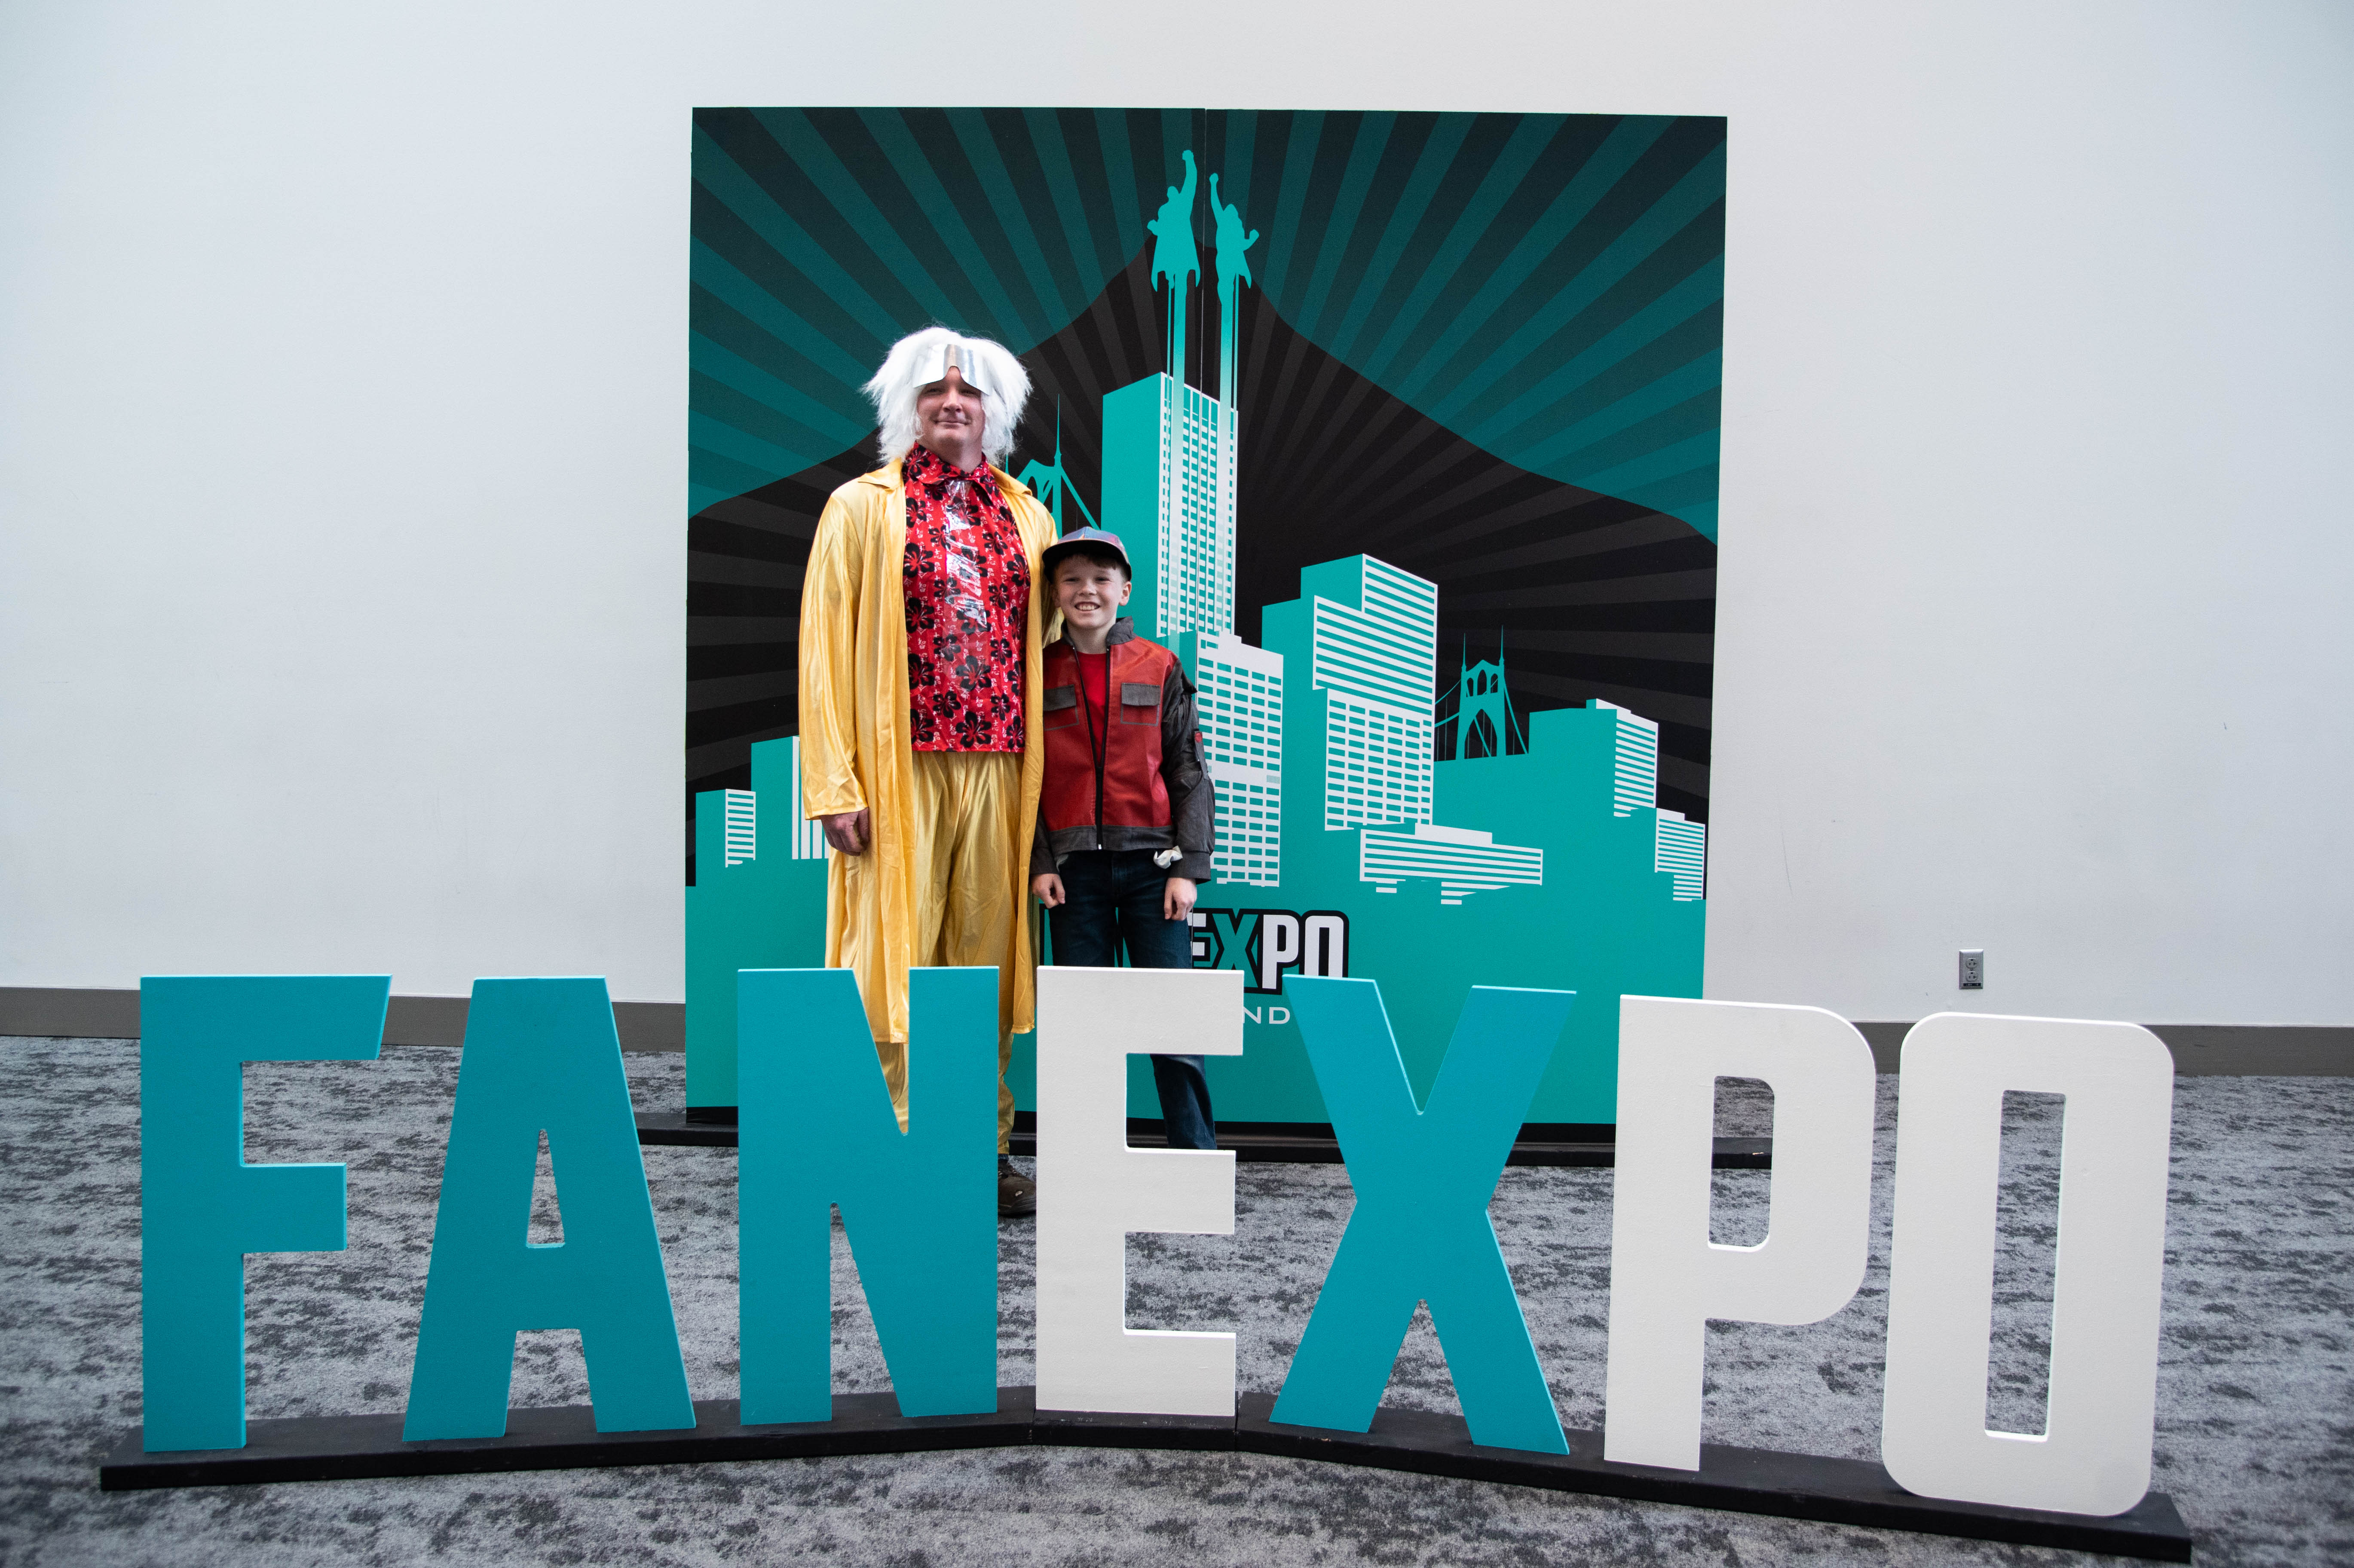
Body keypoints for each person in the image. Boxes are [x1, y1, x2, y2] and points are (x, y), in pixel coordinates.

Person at [798, 326, 1058, 1217]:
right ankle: (884, 1146)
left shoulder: (1030, 515)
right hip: (897, 767)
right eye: (936, 389)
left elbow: (1052, 644)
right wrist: (836, 783)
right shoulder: (860, 507)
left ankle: (981, 1150)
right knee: (887, 962)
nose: (954, 401)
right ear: (906, 405)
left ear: (997, 411)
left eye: (971, 390)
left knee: (982, 965)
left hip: (999, 767)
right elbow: (825, 649)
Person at [1026, 528, 1219, 1150]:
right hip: (1072, 875)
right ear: (1054, 594)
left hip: (1152, 871)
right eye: (1072, 579)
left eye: (1101, 579)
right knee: (1082, 1026)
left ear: (1124, 589)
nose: (1087, 590)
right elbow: (1021, 781)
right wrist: (1041, 860)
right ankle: (1084, 1162)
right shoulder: (1035, 669)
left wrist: (1187, 868)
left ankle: (1193, 1158)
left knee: (1173, 1021)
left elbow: (1188, 771)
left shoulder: (1158, 663)